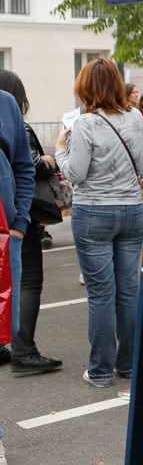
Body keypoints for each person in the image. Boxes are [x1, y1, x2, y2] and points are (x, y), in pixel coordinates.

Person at [53, 57, 143, 389]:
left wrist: (60, 149)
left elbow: (76, 173)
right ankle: (130, 365)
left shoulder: (86, 124)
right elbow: (141, 163)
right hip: (132, 211)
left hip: (94, 211)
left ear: (86, 88)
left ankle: (101, 370)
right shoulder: (135, 117)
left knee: (101, 294)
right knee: (129, 290)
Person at [0, 71, 62, 375]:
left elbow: (22, 167)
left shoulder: (6, 110)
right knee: (28, 282)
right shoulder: (14, 116)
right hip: (15, 224)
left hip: (11, 225)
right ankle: (23, 349)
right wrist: (51, 160)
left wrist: (18, 223)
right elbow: (30, 166)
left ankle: (12, 346)